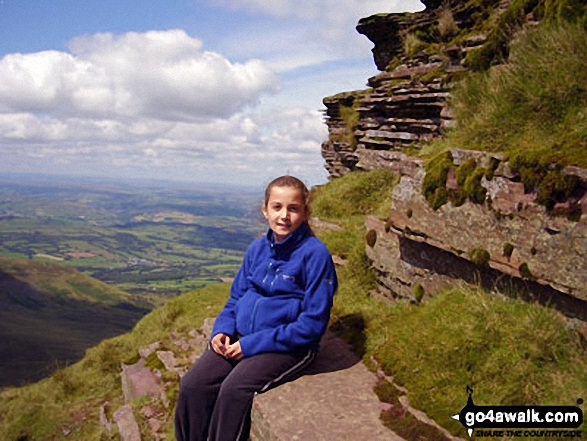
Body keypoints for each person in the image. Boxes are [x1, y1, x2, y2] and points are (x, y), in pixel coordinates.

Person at [174, 175, 338, 441]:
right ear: (265, 210)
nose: (284, 215)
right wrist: (222, 330)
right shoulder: (257, 249)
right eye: (277, 207)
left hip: (287, 346)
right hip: (239, 337)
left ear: (305, 213)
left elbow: (312, 325)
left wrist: (251, 345)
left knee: (234, 390)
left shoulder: (315, 255)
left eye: (293, 208)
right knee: (193, 385)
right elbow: (236, 298)